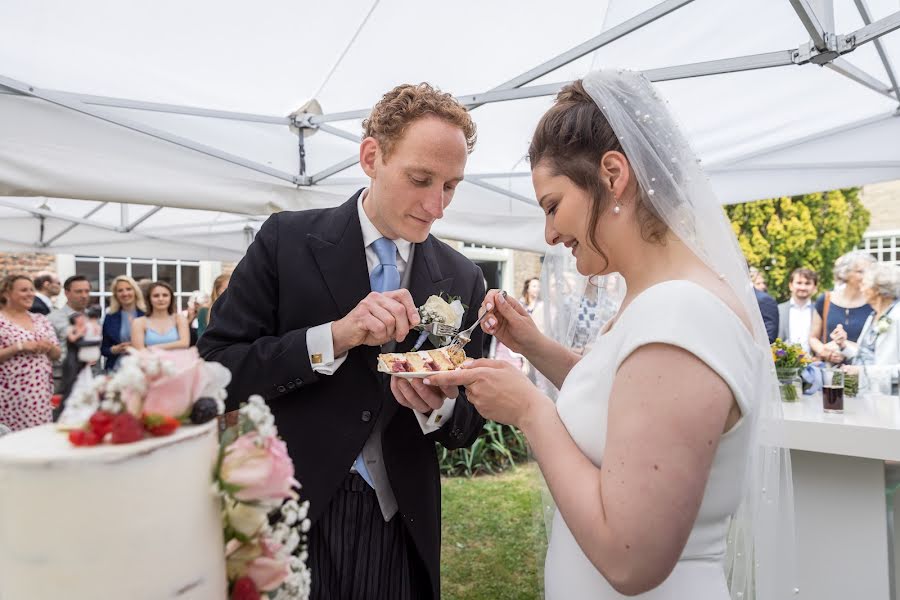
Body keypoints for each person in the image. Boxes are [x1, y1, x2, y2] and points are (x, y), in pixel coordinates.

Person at [426, 71, 794, 599]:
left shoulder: (682, 314)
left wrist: (530, 410)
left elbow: (630, 559)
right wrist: (533, 345)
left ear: (613, 174)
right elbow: (630, 404)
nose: (550, 234)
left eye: (553, 205)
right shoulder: (659, 302)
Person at [199, 83, 486, 600]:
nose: (436, 205)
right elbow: (216, 371)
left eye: (451, 186)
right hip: (289, 516)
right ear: (371, 157)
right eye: (421, 179)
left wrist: (439, 409)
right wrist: (330, 339)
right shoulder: (285, 241)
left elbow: (468, 424)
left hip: (399, 526)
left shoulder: (463, 279)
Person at [0, 274, 61, 431]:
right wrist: (20, 347)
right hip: (8, 396)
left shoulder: (40, 319)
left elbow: (57, 355)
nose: (30, 294)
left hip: (39, 395)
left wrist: (49, 346)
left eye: (31, 290)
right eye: (23, 290)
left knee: (39, 442)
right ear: (7, 293)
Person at [839, 262, 900, 394]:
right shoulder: (873, 316)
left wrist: (863, 372)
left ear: (878, 289)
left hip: (891, 401)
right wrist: (843, 346)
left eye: (864, 284)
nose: (860, 288)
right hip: (867, 395)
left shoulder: (897, 317)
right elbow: (867, 355)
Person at [809, 250, 875, 364]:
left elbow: (876, 345)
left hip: (861, 371)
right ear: (845, 273)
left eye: (869, 272)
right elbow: (813, 338)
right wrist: (827, 353)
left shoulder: (873, 303)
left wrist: (846, 347)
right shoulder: (825, 299)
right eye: (860, 271)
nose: (866, 276)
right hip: (830, 373)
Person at [48, 275, 92, 392]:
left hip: (90, 378)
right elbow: (49, 352)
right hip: (62, 379)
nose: (84, 296)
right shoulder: (51, 319)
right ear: (66, 293)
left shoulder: (92, 318)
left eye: (87, 291)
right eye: (79, 292)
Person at [101, 275, 146, 371]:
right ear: (115, 294)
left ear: (135, 291)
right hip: (117, 369)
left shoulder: (147, 314)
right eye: (120, 290)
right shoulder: (110, 317)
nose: (125, 293)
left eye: (129, 289)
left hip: (144, 367)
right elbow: (104, 349)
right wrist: (114, 350)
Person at [131, 281, 190, 350]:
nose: (161, 299)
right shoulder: (139, 322)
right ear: (149, 299)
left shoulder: (180, 319)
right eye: (156, 296)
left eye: (165, 295)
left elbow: (184, 343)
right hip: (149, 360)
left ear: (171, 298)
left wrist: (152, 348)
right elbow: (139, 349)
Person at [777, 268, 818, 352]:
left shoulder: (819, 311)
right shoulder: (778, 310)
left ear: (814, 287)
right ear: (791, 285)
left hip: (814, 363)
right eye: (799, 283)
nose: (803, 287)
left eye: (807, 283)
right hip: (783, 363)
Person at [749, 267, 779, 343]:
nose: (762, 286)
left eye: (764, 283)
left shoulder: (765, 300)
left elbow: (769, 337)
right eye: (758, 283)